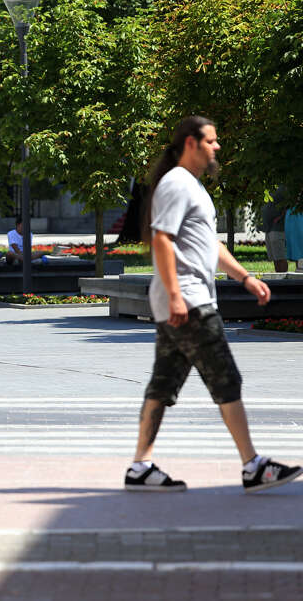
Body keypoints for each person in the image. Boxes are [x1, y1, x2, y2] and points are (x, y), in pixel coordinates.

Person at [125, 115, 301, 494]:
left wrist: (246, 277)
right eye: (211, 140)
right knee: (226, 378)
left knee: (162, 384)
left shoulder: (192, 186)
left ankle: (140, 466)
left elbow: (211, 245)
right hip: (188, 300)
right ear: (191, 142)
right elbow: (161, 240)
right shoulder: (176, 183)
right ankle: (253, 465)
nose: (217, 146)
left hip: (184, 299)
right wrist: (174, 294)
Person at [284, 204, 303, 271]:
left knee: (299, 242)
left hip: (297, 215)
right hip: (293, 215)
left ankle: (300, 267)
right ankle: (299, 267)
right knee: (295, 243)